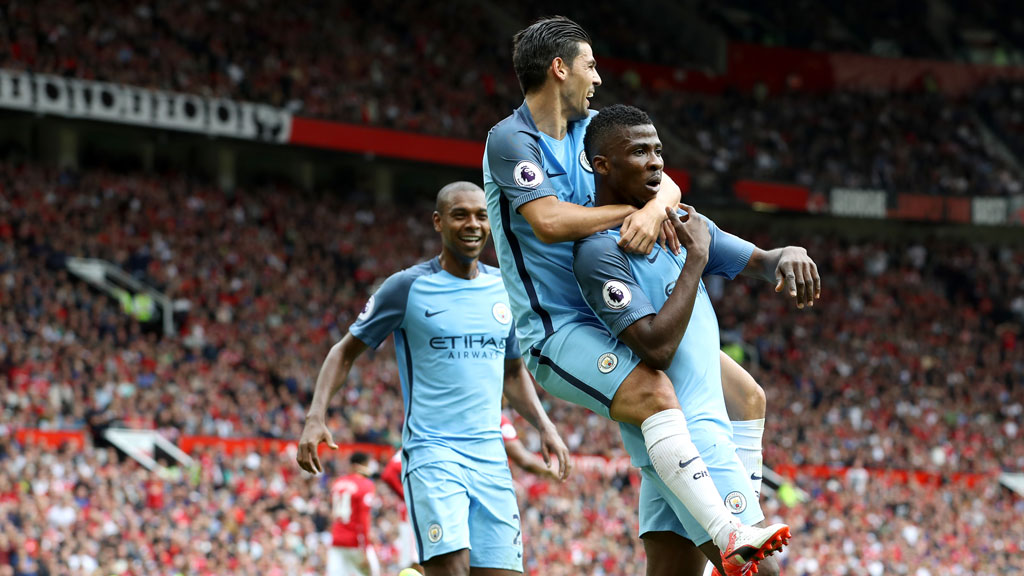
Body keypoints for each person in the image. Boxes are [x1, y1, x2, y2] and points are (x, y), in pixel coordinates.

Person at [483, 16, 818, 575]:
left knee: (745, 395)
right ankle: (730, 527)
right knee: (656, 393)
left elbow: (664, 181)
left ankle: (726, 516)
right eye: (590, 64)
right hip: (560, 326)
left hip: (618, 309)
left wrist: (660, 205)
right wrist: (634, 211)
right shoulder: (512, 138)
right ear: (560, 68)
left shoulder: (595, 128)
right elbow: (545, 221)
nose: (598, 76)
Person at [573, 104, 816, 575]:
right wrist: (694, 261)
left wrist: (791, 253)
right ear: (602, 165)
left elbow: (764, 260)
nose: (656, 162)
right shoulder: (600, 250)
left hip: (679, 450)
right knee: (757, 571)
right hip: (692, 438)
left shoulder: (681, 220)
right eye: (639, 151)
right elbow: (656, 349)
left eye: (658, 150)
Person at [296, 182, 571, 576]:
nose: (472, 224)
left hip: (491, 459)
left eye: (480, 215)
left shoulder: (503, 289)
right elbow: (344, 351)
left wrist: (544, 426)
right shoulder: (406, 287)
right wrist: (315, 416)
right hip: (433, 454)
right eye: (460, 215)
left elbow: (512, 371)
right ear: (438, 222)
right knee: (452, 570)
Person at [380, 416, 560, 576]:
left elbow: (390, 471)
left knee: (431, 563)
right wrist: (551, 470)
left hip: (436, 499)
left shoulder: (436, 422)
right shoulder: (493, 417)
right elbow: (521, 456)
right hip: (465, 501)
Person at [328, 452, 380, 576]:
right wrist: (365, 548)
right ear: (361, 465)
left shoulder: (338, 483)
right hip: (354, 540)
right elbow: (363, 518)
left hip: (337, 539)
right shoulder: (366, 484)